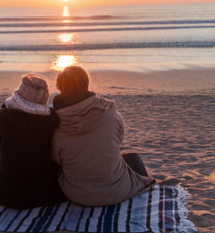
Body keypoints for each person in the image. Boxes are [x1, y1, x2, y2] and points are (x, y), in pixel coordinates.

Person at [50, 64, 154, 206]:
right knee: (133, 158)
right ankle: (147, 197)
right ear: (87, 85)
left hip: (76, 194)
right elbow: (118, 142)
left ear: (60, 88)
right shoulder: (111, 115)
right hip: (116, 191)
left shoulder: (55, 122)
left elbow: (56, 159)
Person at [0, 73, 67, 210]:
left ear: (20, 92)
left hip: (8, 195)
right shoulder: (52, 121)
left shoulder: (4, 117)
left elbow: (1, 146)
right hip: (45, 194)